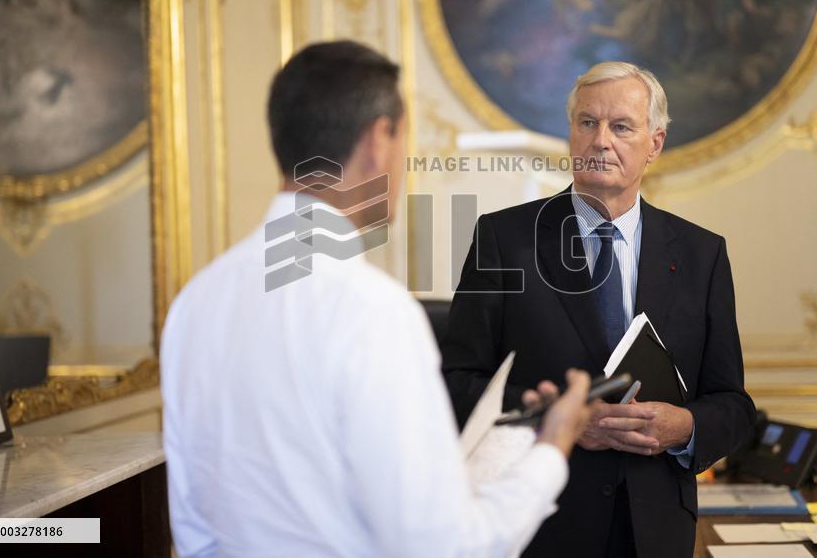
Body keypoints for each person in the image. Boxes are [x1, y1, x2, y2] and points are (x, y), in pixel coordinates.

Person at [161, 40, 593, 557]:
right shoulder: (372, 312)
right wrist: (551, 449)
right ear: (378, 139)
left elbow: (191, 525)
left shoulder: (195, 302)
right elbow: (443, 549)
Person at [440, 61, 756, 557]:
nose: (600, 140)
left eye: (621, 126)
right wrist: (558, 422)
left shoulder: (702, 254)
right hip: (541, 523)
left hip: (656, 530)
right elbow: (458, 384)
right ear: (570, 133)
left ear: (655, 143)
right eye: (587, 122)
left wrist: (684, 428)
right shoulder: (504, 240)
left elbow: (733, 404)